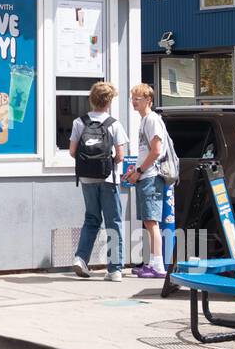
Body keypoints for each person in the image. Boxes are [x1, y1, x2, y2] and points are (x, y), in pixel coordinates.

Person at [69, 81, 129, 281]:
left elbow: (72, 152)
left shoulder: (80, 122)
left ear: (91, 99)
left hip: (86, 179)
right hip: (109, 179)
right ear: (109, 101)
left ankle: (81, 258)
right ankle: (115, 269)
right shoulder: (114, 124)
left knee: (91, 219)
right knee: (114, 222)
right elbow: (120, 156)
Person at [123, 84, 167, 278]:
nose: (134, 102)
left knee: (152, 222)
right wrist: (135, 170)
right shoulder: (144, 121)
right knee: (148, 222)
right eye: (133, 98)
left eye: (138, 99)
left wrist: (140, 170)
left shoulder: (152, 120)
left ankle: (158, 265)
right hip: (144, 175)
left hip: (151, 176)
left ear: (148, 100)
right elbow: (146, 151)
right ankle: (152, 263)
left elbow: (156, 151)